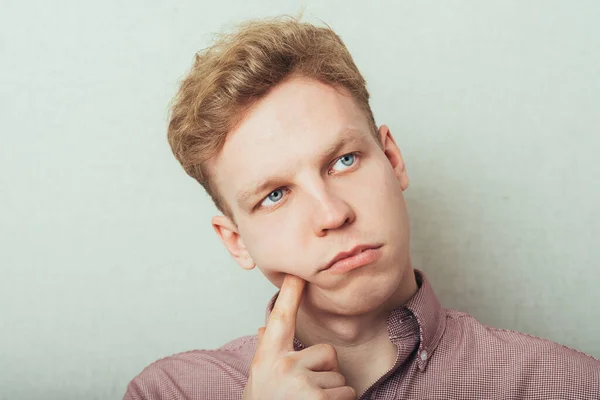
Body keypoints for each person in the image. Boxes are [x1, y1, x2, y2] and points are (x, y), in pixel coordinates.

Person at [123, 16, 600, 400]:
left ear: (393, 160)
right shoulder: (168, 392)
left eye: (343, 161)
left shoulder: (570, 386)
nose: (332, 215)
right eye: (275, 194)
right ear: (236, 240)